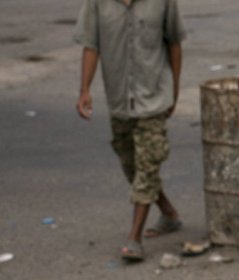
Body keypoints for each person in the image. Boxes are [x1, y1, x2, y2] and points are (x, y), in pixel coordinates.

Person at [73, 0, 186, 262]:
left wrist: (175, 88)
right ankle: (168, 213)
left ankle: (134, 239)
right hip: (119, 99)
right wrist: (84, 90)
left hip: (154, 96)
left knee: (148, 163)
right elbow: (91, 44)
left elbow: (174, 43)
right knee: (131, 164)